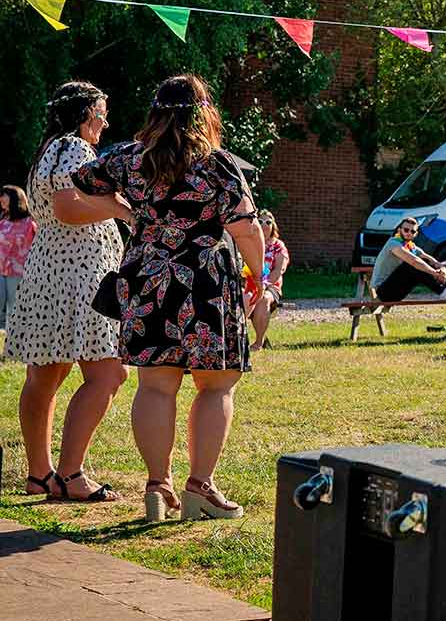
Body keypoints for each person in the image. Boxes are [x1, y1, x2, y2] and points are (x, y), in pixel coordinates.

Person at [54, 74, 267, 521]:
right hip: (205, 282)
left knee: (155, 385)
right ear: (205, 113)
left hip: (147, 277)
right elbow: (247, 228)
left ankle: (157, 486)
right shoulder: (218, 164)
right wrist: (258, 279)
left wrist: (124, 212)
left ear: (155, 113)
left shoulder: (129, 159)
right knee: (216, 384)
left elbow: (80, 186)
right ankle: (199, 488)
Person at [6, 81, 125, 503]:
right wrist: (117, 205)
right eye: (101, 113)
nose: (105, 122)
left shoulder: (49, 150)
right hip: (79, 276)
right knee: (109, 374)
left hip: (49, 272)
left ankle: (40, 475)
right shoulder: (76, 148)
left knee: (45, 375)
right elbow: (67, 208)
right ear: (84, 114)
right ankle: (72, 474)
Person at [371, 216, 446, 303]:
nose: (409, 233)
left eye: (412, 231)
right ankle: (443, 291)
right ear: (399, 230)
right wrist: (435, 273)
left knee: (424, 262)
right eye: (406, 230)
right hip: (383, 292)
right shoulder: (394, 243)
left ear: (416, 234)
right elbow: (414, 261)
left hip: (398, 290)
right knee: (411, 265)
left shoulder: (410, 246)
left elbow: (431, 259)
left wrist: (442, 269)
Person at [246, 209, 289, 351]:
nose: (264, 224)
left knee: (263, 298)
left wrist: (264, 284)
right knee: (242, 297)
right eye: (260, 221)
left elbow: (279, 270)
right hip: (247, 283)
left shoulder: (278, 246)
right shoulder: (248, 243)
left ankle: (258, 343)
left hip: (271, 286)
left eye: (268, 222)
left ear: (273, 226)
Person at [0, 183, 38, 339]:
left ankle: (14, 344)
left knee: (14, 309)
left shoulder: (30, 223)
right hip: (0, 270)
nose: (1, 198)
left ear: (15, 198)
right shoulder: (2, 220)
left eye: (4, 195)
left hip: (19, 273)